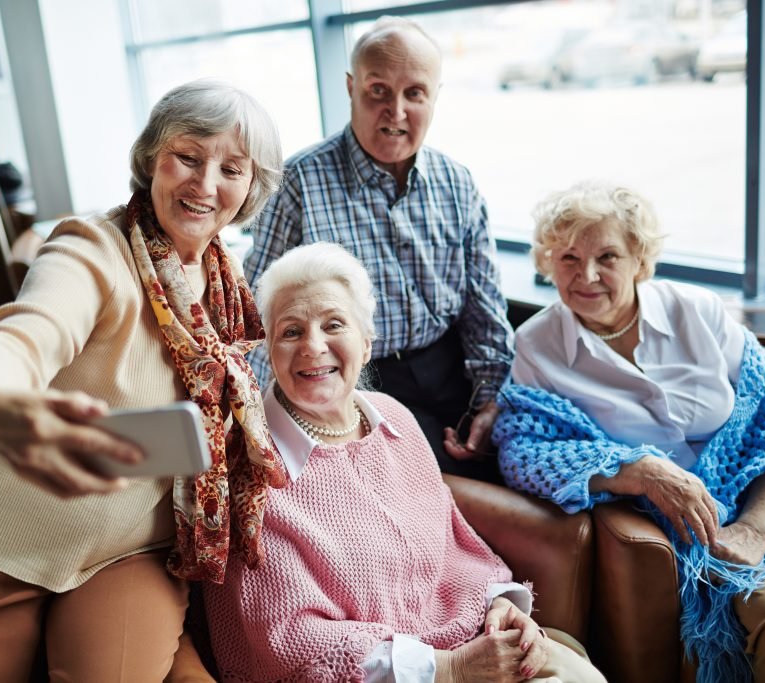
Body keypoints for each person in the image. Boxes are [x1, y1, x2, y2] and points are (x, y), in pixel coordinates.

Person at [0, 80, 288, 682]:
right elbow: (23, 338)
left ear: (251, 187)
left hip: (128, 550)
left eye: (231, 168)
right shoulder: (92, 247)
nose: (205, 185)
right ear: (152, 156)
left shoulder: (229, 281)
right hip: (4, 534)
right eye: (188, 156)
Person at [493, 180, 765, 683]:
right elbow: (524, 452)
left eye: (608, 256)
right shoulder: (537, 346)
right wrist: (637, 470)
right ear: (546, 262)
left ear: (639, 259)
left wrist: (755, 527)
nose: (587, 275)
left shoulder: (697, 310)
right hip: (701, 527)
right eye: (568, 258)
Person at [204, 242, 605, 682]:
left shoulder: (394, 418)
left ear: (367, 342)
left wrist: (500, 607)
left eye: (333, 324)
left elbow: (454, 549)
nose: (313, 346)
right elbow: (287, 640)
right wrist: (450, 668)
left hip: (466, 646)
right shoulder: (250, 469)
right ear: (270, 351)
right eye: (291, 331)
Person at [244, 16, 514, 479]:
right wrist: (263, 427)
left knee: (513, 470)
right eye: (378, 90)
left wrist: (489, 401)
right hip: (355, 380)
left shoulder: (458, 183)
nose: (397, 110)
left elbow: (483, 308)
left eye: (414, 93)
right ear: (351, 88)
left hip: (453, 374)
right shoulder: (298, 184)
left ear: (433, 97)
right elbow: (258, 313)